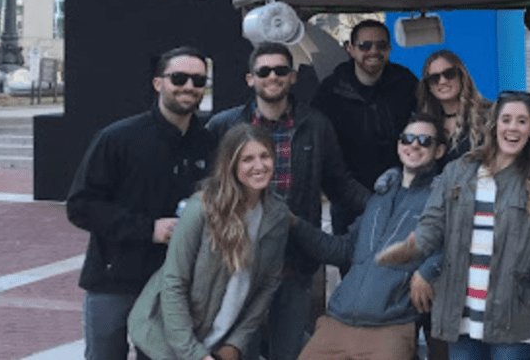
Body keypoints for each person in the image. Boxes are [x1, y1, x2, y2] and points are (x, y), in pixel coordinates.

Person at [377, 90, 530, 359]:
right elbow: (432, 227)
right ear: (494, 125)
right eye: (507, 119)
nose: (513, 128)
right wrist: (413, 246)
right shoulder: (457, 171)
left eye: (522, 121)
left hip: (513, 319)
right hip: (460, 316)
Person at [207, 42, 370, 360]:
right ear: (250, 79)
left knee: (289, 352)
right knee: (239, 352)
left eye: (281, 70)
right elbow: (207, 191)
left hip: (293, 266)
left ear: (293, 77)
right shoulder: (224, 126)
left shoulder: (316, 125)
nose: (273, 77)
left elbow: (341, 185)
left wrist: (385, 206)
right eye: (263, 71)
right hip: (240, 267)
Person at [68, 46, 218, 360]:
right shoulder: (117, 139)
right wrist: (147, 229)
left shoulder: (209, 143)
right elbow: (81, 206)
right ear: (158, 83)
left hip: (174, 284)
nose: (189, 86)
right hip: (114, 280)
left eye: (198, 79)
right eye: (179, 77)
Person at [288, 116, 447, 360]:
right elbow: (341, 250)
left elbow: (456, 244)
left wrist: (428, 270)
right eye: (408, 138)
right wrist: (295, 224)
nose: (414, 145)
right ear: (398, 145)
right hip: (337, 321)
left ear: (439, 151)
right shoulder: (378, 198)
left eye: (424, 141)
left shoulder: (439, 198)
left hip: (390, 326)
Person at [129, 124, 291, 360]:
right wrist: (194, 354)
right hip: (165, 338)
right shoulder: (202, 208)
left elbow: (267, 285)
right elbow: (174, 282)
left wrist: (235, 344)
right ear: (231, 165)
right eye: (247, 159)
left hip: (218, 342)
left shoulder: (277, 215)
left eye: (264, 156)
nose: (259, 166)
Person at [313, 19, 419, 234]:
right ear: (350, 49)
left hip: (399, 195)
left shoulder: (406, 82)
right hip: (347, 201)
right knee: (351, 264)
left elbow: (425, 127)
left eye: (381, 46)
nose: (373, 51)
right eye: (365, 46)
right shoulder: (330, 91)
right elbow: (320, 147)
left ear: (389, 49)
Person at [417, 49, 492, 167]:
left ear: (461, 76)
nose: (442, 81)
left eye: (449, 74)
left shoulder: (489, 115)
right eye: (434, 78)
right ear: (428, 87)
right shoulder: (425, 124)